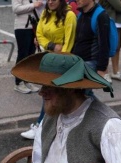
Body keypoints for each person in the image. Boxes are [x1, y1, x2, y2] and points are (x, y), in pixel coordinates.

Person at [20, 0, 77, 139]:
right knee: (54, 95)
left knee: (52, 94)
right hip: (49, 59)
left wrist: (62, 63)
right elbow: (39, 33)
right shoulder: (46, 13)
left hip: (62, 62)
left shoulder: (69, 16)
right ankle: (48, 127)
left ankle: (41, 126)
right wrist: (51, 45)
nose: (50, 2)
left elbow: (68, 44)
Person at [72, 0, 112, 82]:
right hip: (78, 61)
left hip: (90, 63)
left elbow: (104, 44)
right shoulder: (81, 14)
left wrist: (101, 68)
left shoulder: (101, 16)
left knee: (83, 93)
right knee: (81, 93)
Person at [12, 0, 44, 94]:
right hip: (22, 27)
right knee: (23, 54)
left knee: (31, 55)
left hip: (34, 26)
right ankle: (18, 82)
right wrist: (33, 5)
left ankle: (27, 80)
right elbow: (16, 9)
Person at [99, 0, 121, 82]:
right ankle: (104, 72)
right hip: (111, 20)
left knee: (118, 47)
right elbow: (119, 7)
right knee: (107, 46)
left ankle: (116, 71)